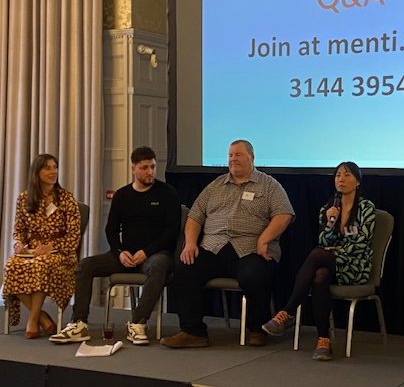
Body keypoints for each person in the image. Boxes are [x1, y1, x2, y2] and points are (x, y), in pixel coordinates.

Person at [160, 139, 295, 348]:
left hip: (250, 248)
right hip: (214, 246)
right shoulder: (215, 186)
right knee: (185, 268)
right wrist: (190, 243)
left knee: (253, 275)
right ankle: (193, 331)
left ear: (251, 157)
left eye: (238, 155)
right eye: (230, 155)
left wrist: (264, 239)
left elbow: (284, 214)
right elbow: (195, 216)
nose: (233, 159)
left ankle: (257, 329)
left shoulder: (269, 185)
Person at [50, 146, 181, 345]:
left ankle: (137, 323)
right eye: (145, 167)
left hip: (154, 254)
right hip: (124, 255)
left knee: (159, 265)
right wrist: (120, 252)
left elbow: (171, 231)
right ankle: (79, 323)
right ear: (133, 169)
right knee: (85, 265)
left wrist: (145, 252)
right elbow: (111, 230)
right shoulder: (122, 195)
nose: (150, 172)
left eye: (153, 167)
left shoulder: (167, 193)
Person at [261, 161, 376, 360]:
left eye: (347, 175)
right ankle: (324, 340)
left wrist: (334, 252)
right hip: (332, 264)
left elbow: (361, 243)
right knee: (319, 276)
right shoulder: (328, 208)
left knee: (317, 255)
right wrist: (331, 223)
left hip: (356, 266)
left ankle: (288, 311)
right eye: (338, 175)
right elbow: (324, 241)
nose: (341, 179)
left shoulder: (366, 208)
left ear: (357, 182)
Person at [2, 154, 81, 339]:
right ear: (36, 173)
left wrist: (51, 246)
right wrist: (19, 244)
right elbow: (18, 229)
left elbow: (74, 237)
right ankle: (43, 317)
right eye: (47, 168)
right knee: (11, 266)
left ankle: (33, 320)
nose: (53, 172)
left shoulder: (66, 199)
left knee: (41, 265)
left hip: (61, 252)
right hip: (31, 251)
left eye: (55, 167)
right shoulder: (24, 198)